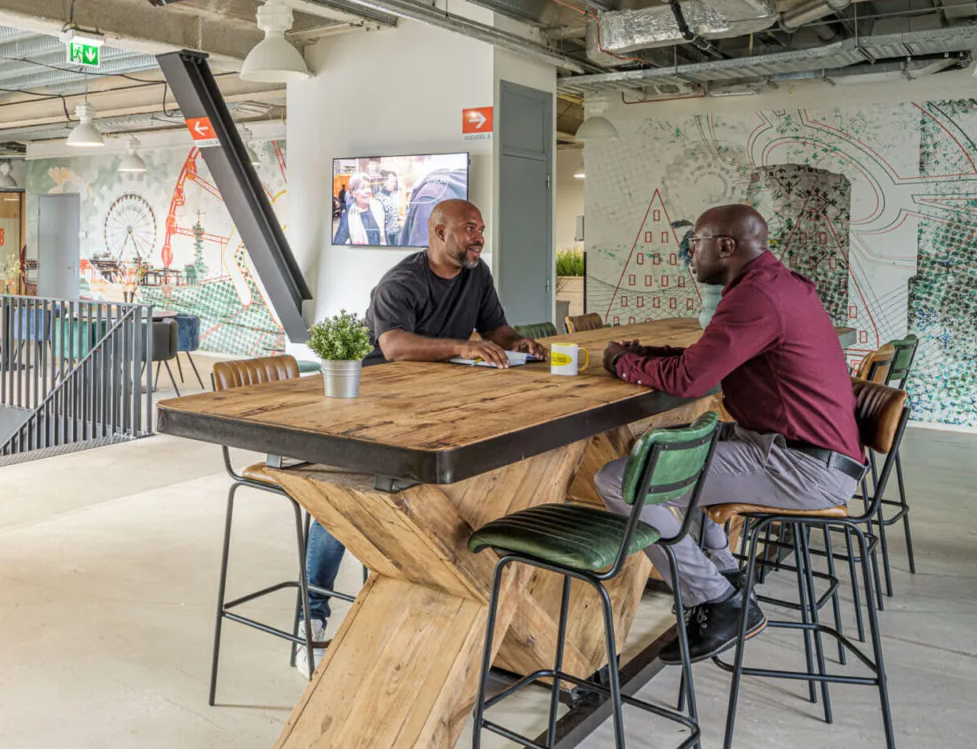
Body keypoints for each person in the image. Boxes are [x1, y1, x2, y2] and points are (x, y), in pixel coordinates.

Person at [594, 204, 866, 660]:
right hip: (805, 451)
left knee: (619, 481)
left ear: (724, 246)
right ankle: (725, 571)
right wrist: (647, 355)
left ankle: (718, 600)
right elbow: (708, 359)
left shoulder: (756, 297)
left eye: (694, 243)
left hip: (800, 465)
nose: (689, 254)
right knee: (676, 452)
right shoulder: (774, 285)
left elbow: (690, 380)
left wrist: (624, 364)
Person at [297, 199, 547, 667]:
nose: (479, 237)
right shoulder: (401, 282)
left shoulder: (477, 273)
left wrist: (517, 343)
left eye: (481, 228)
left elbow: (495, 327)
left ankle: (409, 606)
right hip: (375, 405)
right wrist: (464, 348)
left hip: (433, 406)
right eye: (469, 228)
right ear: (439, 232)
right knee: (341, 496)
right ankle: (311, 617)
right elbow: (393, 346)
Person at [334, 173, 394, 246]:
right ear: (353, 193)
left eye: (368, 187)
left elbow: (385, 235)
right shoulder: (349, 215)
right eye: (362, 188)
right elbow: (338, 243)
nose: (368, 191)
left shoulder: (378, 207)